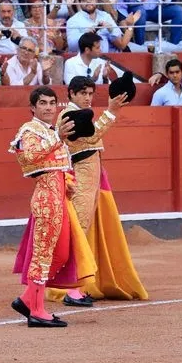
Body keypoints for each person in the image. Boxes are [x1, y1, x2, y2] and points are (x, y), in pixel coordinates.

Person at [46, 75, 146, 307]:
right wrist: (111, 111)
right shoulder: (67, 116)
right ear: (70, 94)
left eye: (91, 94)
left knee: (83, 232)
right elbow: (90, 137)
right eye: (82, 93)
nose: (87, 98)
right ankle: (72, 290)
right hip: (80, 179)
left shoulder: (78, 113)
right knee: (78, 232)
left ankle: (77, 287)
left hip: (89, 178)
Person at [8, 86, 93, 328]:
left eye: (51, 103)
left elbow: (59, 165)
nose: (48, 107)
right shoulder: (29, 130)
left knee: (62, 253)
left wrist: (69, 182)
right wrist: (58, 138)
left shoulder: (52, 131)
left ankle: (27, 299)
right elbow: (30, 158)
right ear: (33, 108)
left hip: (59, 197)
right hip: (46, 198)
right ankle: (37, 310)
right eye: (43, 103)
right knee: (43, 254)